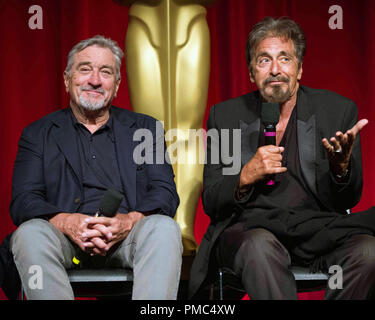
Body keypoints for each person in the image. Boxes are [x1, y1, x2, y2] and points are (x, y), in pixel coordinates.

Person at [189, 17, 375, 300]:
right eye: (264, 60)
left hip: (317, 232)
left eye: (285, 59)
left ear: (299, 69)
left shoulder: (336, 110)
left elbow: (349, 200)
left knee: (368, 252)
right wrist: (244, 177)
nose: (275, 70)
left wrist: (341, 171)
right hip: (251, 230)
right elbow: (212, 201)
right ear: (252, 72)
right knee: (260, 248)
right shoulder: (225, 116)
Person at [9, 35, 182, 300]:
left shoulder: (145, 129)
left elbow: (165, 193)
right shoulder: (38, 133)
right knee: (29, 234)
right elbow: (24, 200)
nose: (94, 80)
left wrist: (128, 221)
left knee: (164, 228)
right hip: (63, 239)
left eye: (105, 72)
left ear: (116, 85)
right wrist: (66, 222)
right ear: (67, 80)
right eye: (85, 69)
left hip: (127, 239)